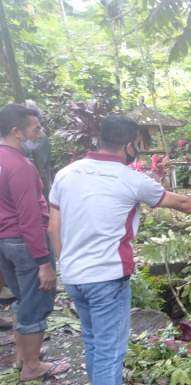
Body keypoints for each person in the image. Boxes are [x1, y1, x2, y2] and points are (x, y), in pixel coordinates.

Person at [48, 115, 191, 385]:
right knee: (110, 352)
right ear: (129, 145)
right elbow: (178, 202)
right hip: (107, 277)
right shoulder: (130, 178)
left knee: (93, 341)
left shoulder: (66, 173)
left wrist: (67, 264)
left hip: (73, 276)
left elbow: (52, 228)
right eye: (137, 145)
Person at [0, 104, 70, 381]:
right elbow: (29, 217)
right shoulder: (20, 166)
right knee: (36, 303)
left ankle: (22, 357)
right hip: (25, 243)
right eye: (35, 128)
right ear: (17, 131)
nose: (39, 134)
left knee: (21, 299)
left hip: (5, 241)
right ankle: (32, 367)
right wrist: (44, 262)